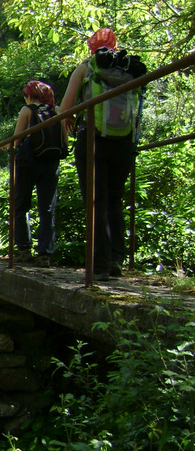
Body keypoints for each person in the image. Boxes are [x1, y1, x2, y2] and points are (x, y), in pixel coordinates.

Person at [59, 28, 136, 281]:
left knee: (96, 201)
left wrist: (69, 119)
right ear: (115, 46)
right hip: (124, 142)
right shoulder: (127, 68)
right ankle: (116, 259)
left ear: (91, 47)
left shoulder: (86, 68)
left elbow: (66, 107)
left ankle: (100, 266)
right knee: (115, 200)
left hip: (93, 139)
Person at [12, 80, 65, 267]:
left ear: (30, 95)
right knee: (47, 208)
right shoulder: (57, 110)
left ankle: (24, 250)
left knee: (21, 205)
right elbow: (64, 139)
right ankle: (45, 254)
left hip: (29, 162)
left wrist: (9, 148)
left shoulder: (27, 111)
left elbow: (17, 139)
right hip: (51, 161)